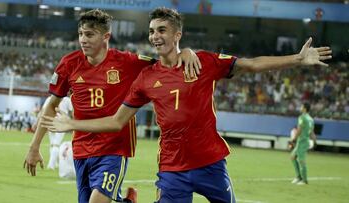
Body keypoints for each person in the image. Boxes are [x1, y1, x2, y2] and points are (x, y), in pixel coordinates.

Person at [41, 7, 332, 203]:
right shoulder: (145, 78)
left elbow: (251, 65)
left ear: (177, 34)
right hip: (171, 170)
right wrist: (73, 124)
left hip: (211, 163)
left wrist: (297, 59)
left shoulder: (203, 62)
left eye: (163, 30)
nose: (155, 36)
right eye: (152, 31)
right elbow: (117, 121)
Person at [22, 9, 200, 203]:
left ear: (106, 36)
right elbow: (51, 105)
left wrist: (186, 52)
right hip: (81, 149)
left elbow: (165, 63)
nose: (83, 39)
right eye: (81, 34)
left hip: (114, 149)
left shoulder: (128, 62)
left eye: (90, 34)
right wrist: (34, 146)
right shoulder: (69, 63)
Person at [42, 96, 73, 170]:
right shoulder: (67, 100)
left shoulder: (50, 98)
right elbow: (72, 112)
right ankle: (51, 165)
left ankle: (54, 163)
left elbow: (44, 111)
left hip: (51, 121)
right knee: (56, 144)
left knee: (52, 144)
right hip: (61, 123)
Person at [290, 102, 316, 185]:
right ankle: (298, 177)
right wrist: (315, 141)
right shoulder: (311, 119)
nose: (300, 107)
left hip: (302, 142)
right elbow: (312, 132)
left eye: (301, 106)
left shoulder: (302, 117)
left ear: (304, 108)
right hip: (305, 141)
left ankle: (304, 180)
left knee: (301, 160)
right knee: (293, 156)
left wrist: (293, 139)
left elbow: (299, 129)